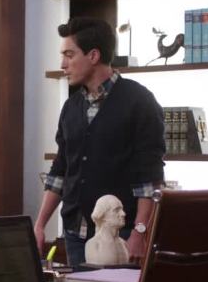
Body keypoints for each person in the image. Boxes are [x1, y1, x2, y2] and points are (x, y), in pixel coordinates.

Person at [34, 17, 165, 268]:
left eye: (69, 55)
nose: (63, 64)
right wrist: (40, 225)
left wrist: (140, 232)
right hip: (75, 234)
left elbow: (149, 179)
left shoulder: (140, 102)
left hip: (122, 237)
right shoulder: (71, 107)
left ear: (93, 55)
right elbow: (60, 171)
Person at [85, 194, 130, 266]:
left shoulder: (124, 244)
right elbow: (95, 272)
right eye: (116, 210)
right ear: (103, 215)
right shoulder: (93, 244)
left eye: (122, 209)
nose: (123, 214)